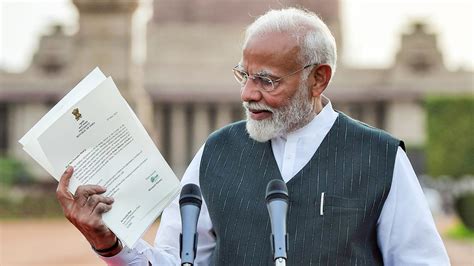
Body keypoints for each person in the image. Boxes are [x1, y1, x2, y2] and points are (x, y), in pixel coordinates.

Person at [56, 7, 450, 265]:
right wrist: (109, 241)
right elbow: (175, 259)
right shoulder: (217, 152)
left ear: (319, 78)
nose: (248, 93)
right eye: (244, 75)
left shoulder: (378, 158)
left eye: (267, 80)